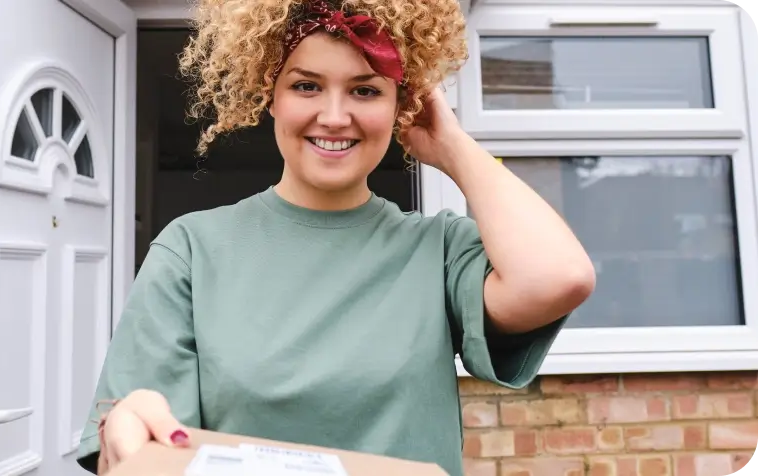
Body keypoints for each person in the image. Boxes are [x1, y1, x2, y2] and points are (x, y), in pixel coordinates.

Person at [76, 0, 596, 474]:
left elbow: (559, 278)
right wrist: (129, 429)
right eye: (306, 85)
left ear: (401, 107)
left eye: (366, 89)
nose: (334, 116)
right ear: (270, 96)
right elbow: (140, 449)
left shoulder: (438, 250)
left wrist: (453, 146)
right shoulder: (191, 249)